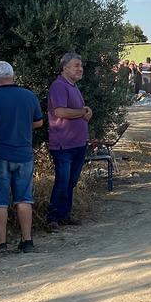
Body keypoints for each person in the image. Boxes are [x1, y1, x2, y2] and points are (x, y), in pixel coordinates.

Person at [0, 62, 43, 255]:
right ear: (12, 76)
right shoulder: (29, 96)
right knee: (24, 198)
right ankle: (27, 241)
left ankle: (1, 244)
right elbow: (39, 122)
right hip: (23, 154)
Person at [47, 52, 92, 231]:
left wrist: (87, 112)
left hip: (78, 143)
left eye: (81, 66)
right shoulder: (59, 86)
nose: (80, 69)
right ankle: (53, 218)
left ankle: (65, 214)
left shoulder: (73, 86)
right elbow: (60, 112)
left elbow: (77, 111)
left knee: (71, 181)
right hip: (63, 144)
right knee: (63, 180)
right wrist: (83, 112)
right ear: (65, 67)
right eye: (76, 66)